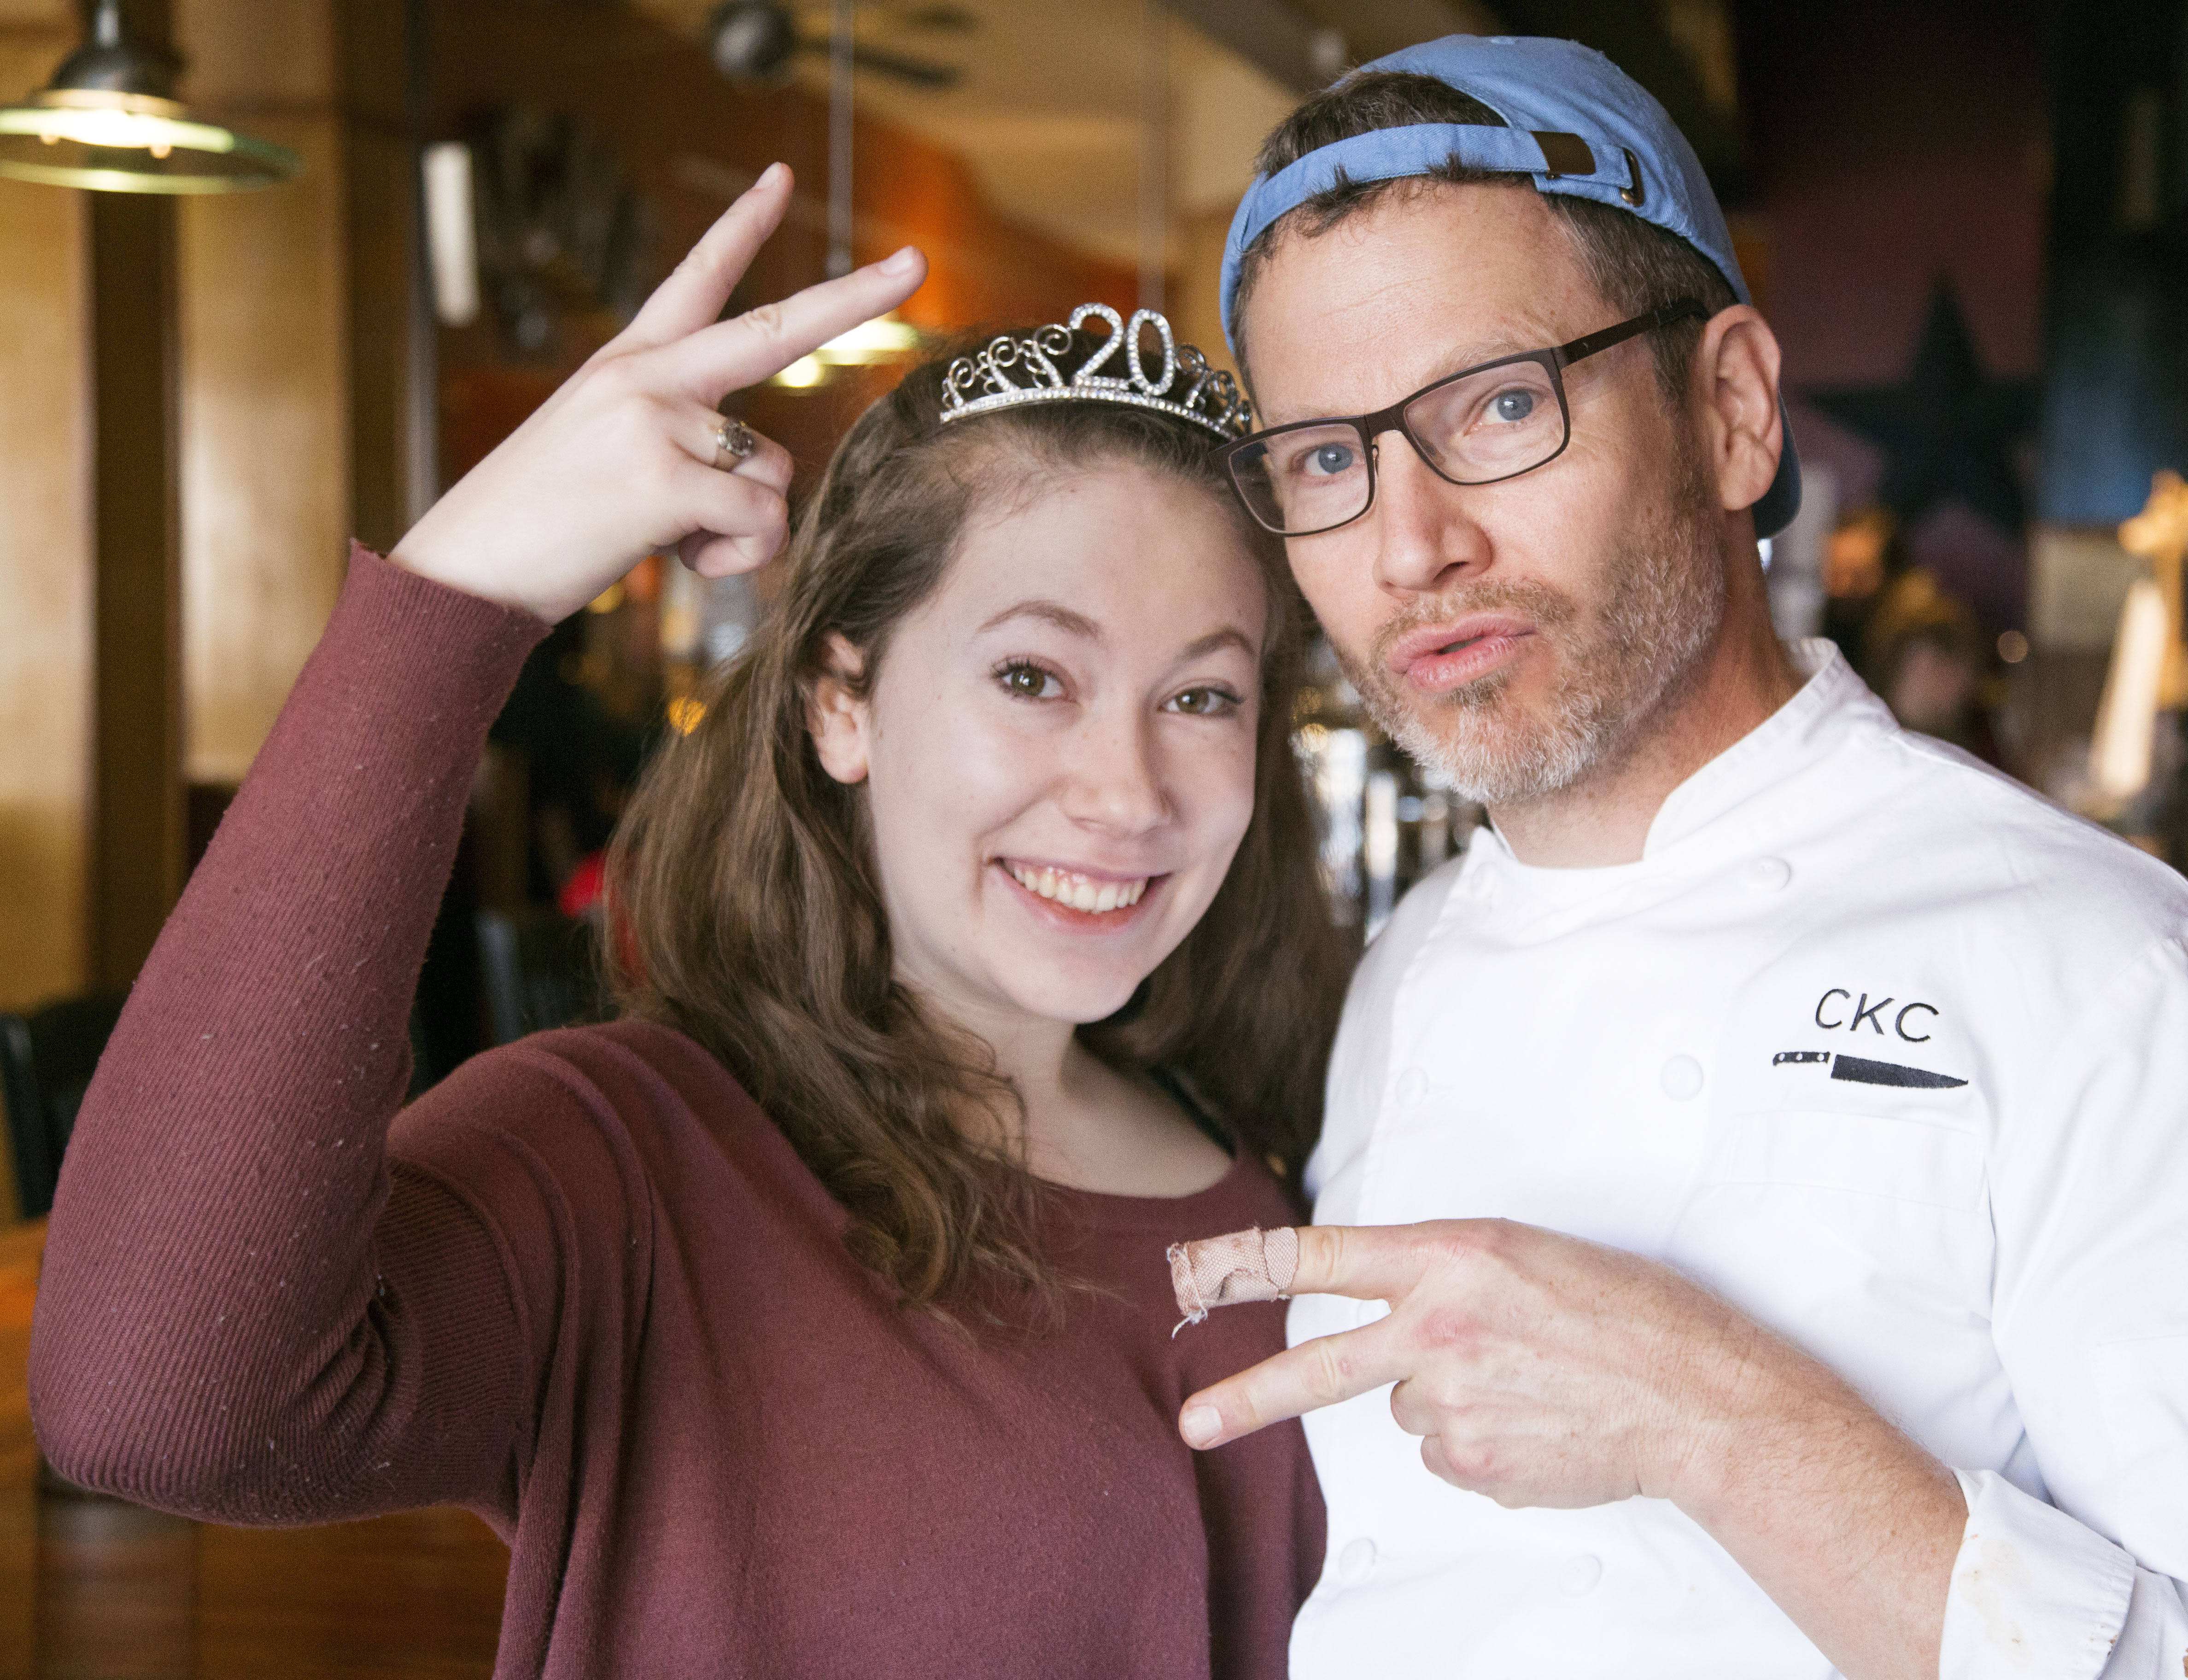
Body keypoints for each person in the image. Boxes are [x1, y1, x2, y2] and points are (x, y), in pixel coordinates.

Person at [1172, 36, 2188, 1680]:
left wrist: (1718, 1418)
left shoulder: (2109, 981)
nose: (1410, 546)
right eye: (1326, 458)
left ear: (1733, 411)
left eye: (1502, 405)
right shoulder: (1404, 968)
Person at [29, 169, 1342, 1678]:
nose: (1127, 792)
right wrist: (459, 597)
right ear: (841, 702)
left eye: (1201, 696)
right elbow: (156, 1406)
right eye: (1033, 677)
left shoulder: (1290, 1173)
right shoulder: (638, 1161)